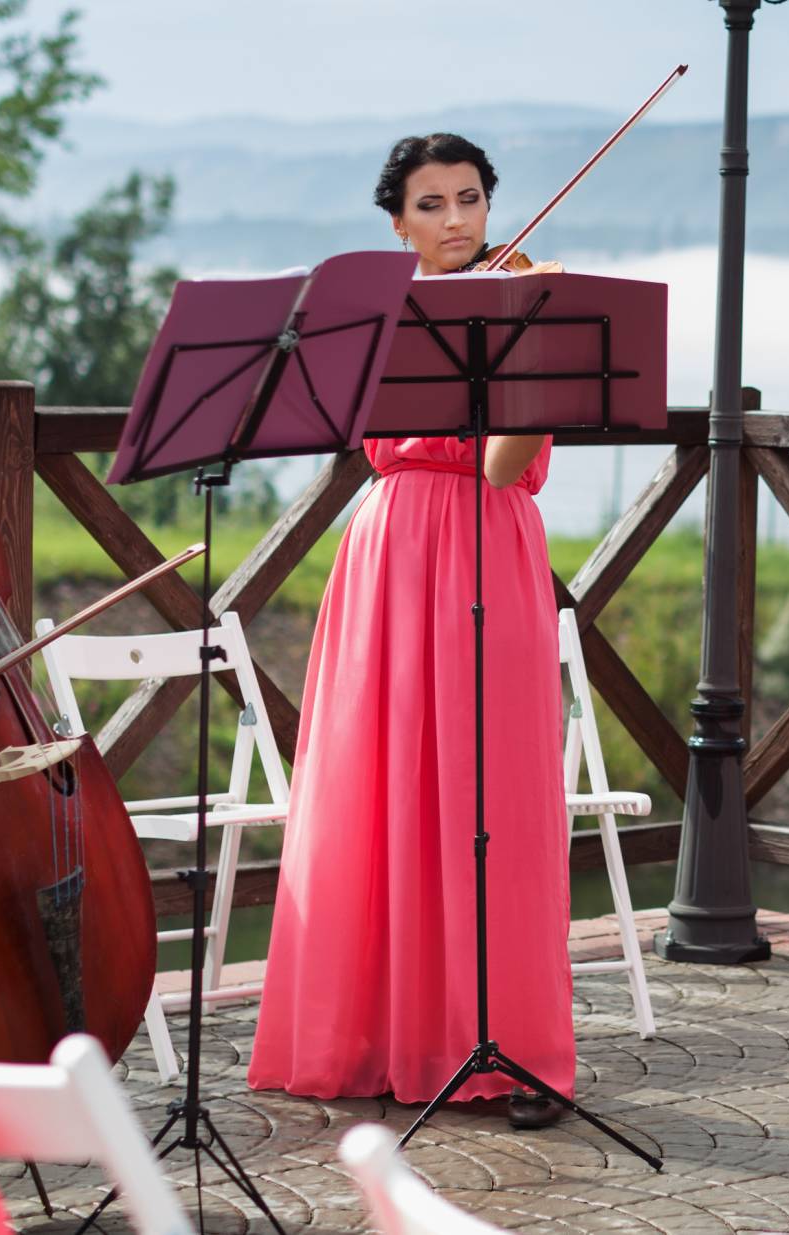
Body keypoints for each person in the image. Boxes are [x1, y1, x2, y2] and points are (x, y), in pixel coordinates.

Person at [247, 133, 572, 1129]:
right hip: (391, 548)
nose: (456, 221)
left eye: (469, 199)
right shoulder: (372, 320)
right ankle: (375, 1037)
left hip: (493, 541)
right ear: (397, 224)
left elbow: (499, 463)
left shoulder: (529, 303)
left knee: (494, 793)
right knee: (378, 791)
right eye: (431, 205)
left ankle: (502, 1047)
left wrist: (536, 337)